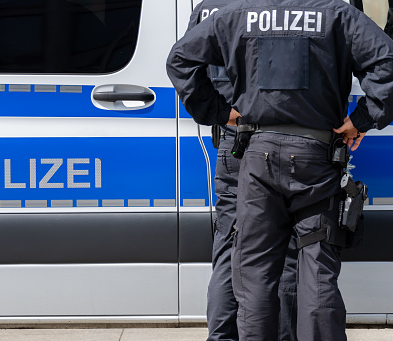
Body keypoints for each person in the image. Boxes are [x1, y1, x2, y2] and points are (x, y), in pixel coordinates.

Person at [167, 0, 393, 340]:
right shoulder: (336, 14)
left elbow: (180, 59)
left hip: (257, 156)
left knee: (254, 272)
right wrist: (360, 121)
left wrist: (218, 111)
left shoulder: (238, 14)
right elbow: (387, 63)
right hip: (316, 158)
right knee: (316, 267)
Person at [185, 2, 298, 340]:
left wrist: (220, 112)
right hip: (276, 140)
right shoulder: (276, 7)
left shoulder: (210, 6)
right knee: (284, 252)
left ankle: (221, 337)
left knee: (228, 246)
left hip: (232, 141)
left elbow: (186, 64)